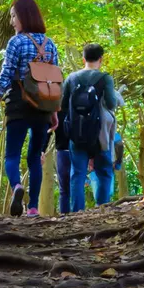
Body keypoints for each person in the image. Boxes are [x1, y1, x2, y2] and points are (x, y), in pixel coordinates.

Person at [0, 0, 61, 217]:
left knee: (12, 155)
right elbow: (54, 80)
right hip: (43, 105)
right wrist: (55, 110)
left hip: (18, 102)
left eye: (13, 16)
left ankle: (17, 186)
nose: (12, 22)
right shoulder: (50, 44)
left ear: (23, 17)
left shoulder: (16, 42)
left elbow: (6, 75)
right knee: (35, 156)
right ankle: (34, 208)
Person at [60, 43, 123, 213]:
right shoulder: (105, 78)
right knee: (104, 172)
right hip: (100, 133)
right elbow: (111, 104)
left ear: (83, 59)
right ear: (101, 59)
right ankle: (102, 210)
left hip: (77, 131)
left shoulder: (71, 78)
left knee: (78, 174)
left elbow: (63, 105)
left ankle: (76, 212)